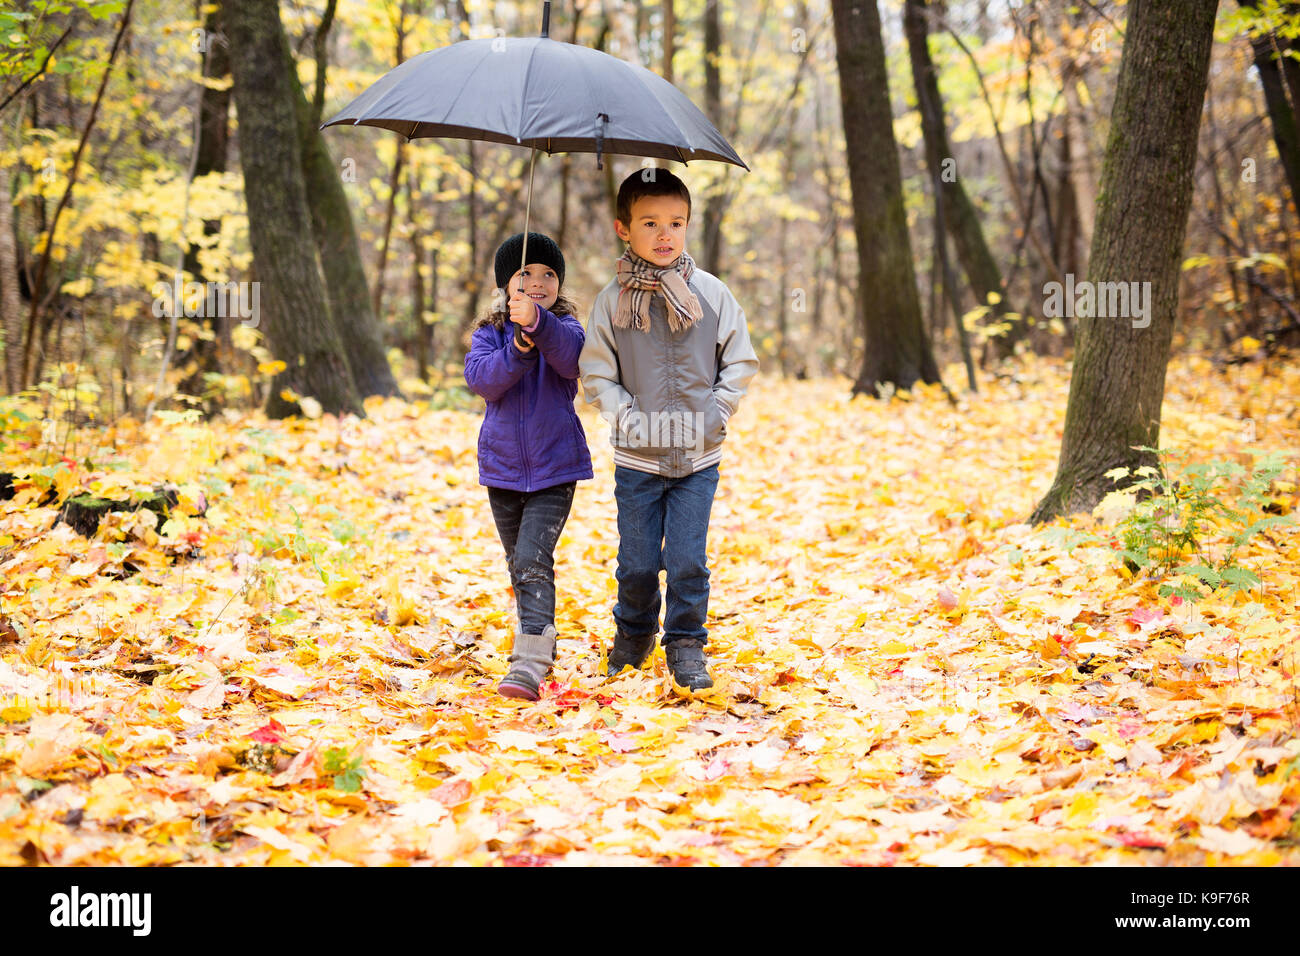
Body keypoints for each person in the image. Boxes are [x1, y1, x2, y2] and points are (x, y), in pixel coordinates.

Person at [579, 169, 758, 690]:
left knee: (686, 561)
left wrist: (718, 410)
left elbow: (740, 360)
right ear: (623, 228)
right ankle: (633, 636)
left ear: (687, 226)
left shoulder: (711, 294)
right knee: (635, 563)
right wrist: (624, 417)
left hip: (697, 460)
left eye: (675, 223)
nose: (664, 234)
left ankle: (685, 644)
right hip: (639, 459)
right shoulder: (613, 301)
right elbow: (596, 372)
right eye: (650, 222)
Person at [464, 232, 593, 700]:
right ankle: (538, 638)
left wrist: (539, 326)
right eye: (525, 274)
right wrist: (516, 347)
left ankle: (530, 663)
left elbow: (570, 361)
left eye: (549, 274)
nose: (537, 282)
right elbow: (484, 382)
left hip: (555, 467)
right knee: (518, 563)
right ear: (505, 284)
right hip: (502, 470)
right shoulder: (489, 333)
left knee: (532, 559)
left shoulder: (568, 327)